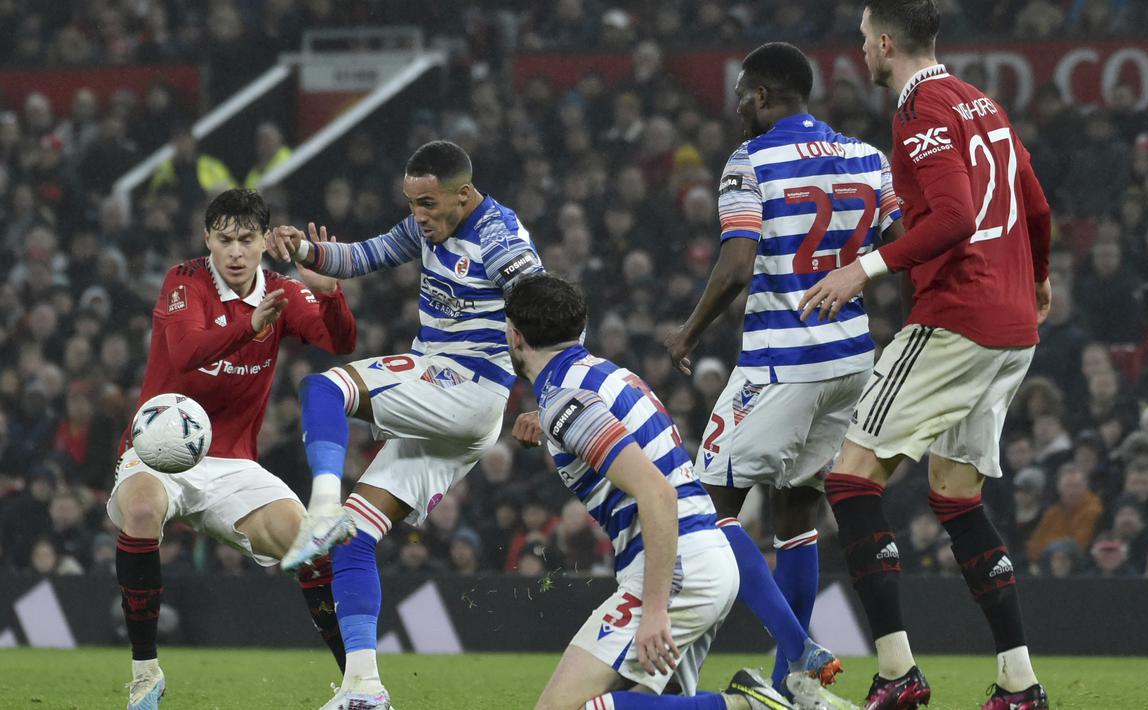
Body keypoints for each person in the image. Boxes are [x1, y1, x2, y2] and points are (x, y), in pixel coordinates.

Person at [798, 2, 1053, 708]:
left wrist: (865, 269)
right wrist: (1038, 277)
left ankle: (896, 673)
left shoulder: (920, 109)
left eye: (861, 41)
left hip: (958, 317)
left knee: (850, 479)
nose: (860, 55)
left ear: (884, 42)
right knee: (955, 493)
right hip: (1011, 328)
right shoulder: (983, 104)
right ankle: (1017, 683)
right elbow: (1033, 206)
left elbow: (954, 217)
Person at [263, 140, 545, 710]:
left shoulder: (500, 239)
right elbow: (362, 257)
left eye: (428, 203)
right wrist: (307, 252)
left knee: (323, 387)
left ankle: (319, 502)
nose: (418, 215)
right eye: (412, 202)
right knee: (354, 538)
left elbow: (550, 310)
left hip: (465, 384)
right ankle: (364, 689)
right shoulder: (426, 227)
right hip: (453, 403)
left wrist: (544, 397)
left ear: (463, 195)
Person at [665, 41, 901, 695]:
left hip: (780, 361)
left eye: (744, 94)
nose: (738, 105)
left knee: (705, 505)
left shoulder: (751, 160)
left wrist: (688, 332)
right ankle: (789, 686)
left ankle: (797, 649)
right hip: (851, 359)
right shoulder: (866, 158)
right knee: (796, 515)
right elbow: (902, 247)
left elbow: (738, 264)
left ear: (764, 95)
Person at [107, 189, 357, 709]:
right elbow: (184, 351)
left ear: (265, 241)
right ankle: (146, 675)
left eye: (247, 240)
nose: (236, 253)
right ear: (208, 240)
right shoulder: (185, 280)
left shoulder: (283, 289)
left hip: (233, 464)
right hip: (158, 449)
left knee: (307, 544)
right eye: (225, 240)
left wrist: (331, 293)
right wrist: (251, 325)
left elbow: (341, 342)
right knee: (141, 509)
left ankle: (359, 688)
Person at [506, 273, 793, 710]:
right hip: (702, 555)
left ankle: (747, 706)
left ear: (515, 334)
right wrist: (546, 421)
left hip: (676, 569)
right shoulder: (603, 377)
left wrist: (655, 610)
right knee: (642, 700)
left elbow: (657, 492)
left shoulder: (565, 402)